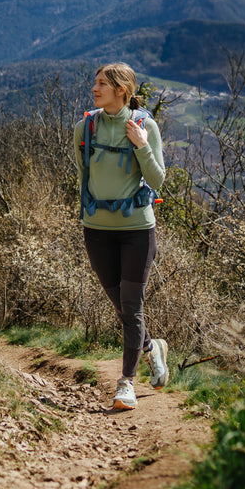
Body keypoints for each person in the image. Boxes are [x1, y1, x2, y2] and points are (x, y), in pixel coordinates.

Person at [73, 61, 169, 411]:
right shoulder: (85, 128)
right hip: (96, 230)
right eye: (95, 82)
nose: (94, 88)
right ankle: (151, 348)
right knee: (123, 309)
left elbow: (157, 181)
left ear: (122, 91)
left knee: (131, 306)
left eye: (102, 83)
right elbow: (83, 175)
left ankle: (126, 383)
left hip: (137, 232)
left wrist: (142, 145)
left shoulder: (145, 126)